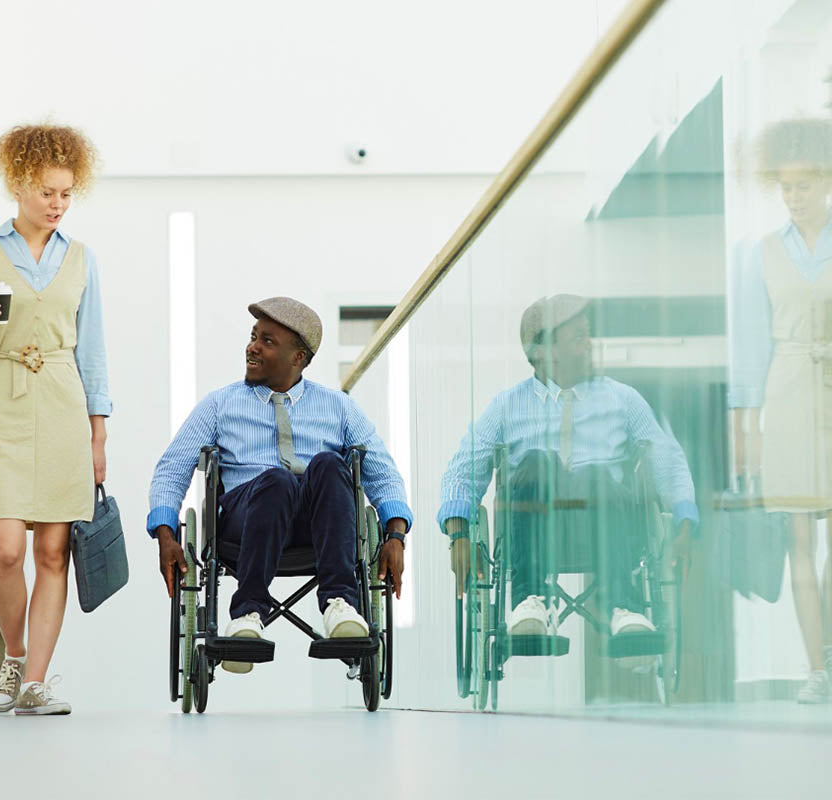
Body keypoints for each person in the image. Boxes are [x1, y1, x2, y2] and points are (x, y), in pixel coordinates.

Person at [149, 297, 412, 673]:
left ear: (298, 358)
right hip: (247, 520)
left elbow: (383, 472)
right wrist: (166, 534)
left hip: (316, 525)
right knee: (276, 480)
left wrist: (395, 535)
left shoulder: (338, 407)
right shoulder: (220, 405)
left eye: (267, 341)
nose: (252, 347)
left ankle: (340, 604)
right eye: (254, 336)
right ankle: (246, 614)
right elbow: (172, 468)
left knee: (328, 465)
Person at [0, 124, 112, 715]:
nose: (58, 204)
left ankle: (37, 683)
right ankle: (13, 659)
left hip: (65, 404)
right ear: (19, 185)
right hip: (0, 398)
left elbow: (92, 352)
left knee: (52, 553)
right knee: (8, 549)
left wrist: (98, 434)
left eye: (67, 193)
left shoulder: (82, 259)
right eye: (48, 192)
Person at [440, 295, 696, 642]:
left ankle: (622, 602)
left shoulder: (623, 399)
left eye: (588, 336)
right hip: (531, 532)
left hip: (606, 526)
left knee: (596, 474)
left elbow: (668, 459)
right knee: (534, 462)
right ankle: (530, 601)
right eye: (579, 338)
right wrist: (459, 534)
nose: (589, 346)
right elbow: (462, 471)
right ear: (545, 351)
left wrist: (684, 521)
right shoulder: (506, 407)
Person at [729, 117, 832, 703]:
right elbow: (749, 349)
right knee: (801, 541)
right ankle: (816, 668)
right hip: (789, 394)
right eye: (786, 187)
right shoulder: (761, 254)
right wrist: (745, 428)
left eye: (805, 185)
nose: (795, 198)